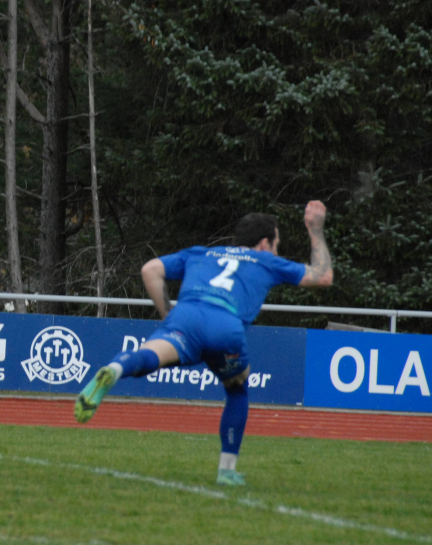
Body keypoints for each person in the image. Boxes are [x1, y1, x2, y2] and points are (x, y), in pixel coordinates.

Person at [74, 202, 333, 486]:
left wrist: (169, 317)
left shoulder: (201, 253)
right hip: (226, 325)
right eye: (276, 245)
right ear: (263, 243)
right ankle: (227, 471)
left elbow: (150, 269)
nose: (277, 251)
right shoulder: (266, 261)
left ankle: (114, 369)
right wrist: (315, 229)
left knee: (149, 354)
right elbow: (323, 276)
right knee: (237, 389)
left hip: (186, 318)